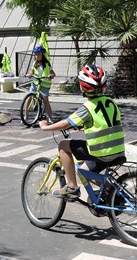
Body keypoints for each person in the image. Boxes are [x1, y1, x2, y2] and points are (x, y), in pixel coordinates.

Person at [39, 63, 125, 200]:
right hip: (118, 150)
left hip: (101, 152)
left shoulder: (88, 107)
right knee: (83, 171)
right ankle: (116, 191)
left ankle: (72, 187)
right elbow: (105, 122)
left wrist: (45, 127)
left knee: (63, 145)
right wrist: (86, 125)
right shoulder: (111, 102)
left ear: (82, 86)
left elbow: (66, 123)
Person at [26, 45, 56, 119]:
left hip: (44, 85)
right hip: (35, 84)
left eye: (38, 54)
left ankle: (50, 118)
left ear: (43, 54)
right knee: (29, 98)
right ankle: (25, 116)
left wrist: (50, 75)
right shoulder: (34, 63)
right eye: (35, 54)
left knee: (46, 101)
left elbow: (53, 74)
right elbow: (32, 71)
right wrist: (29, 74)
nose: (37, 56)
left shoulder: (47, 64)